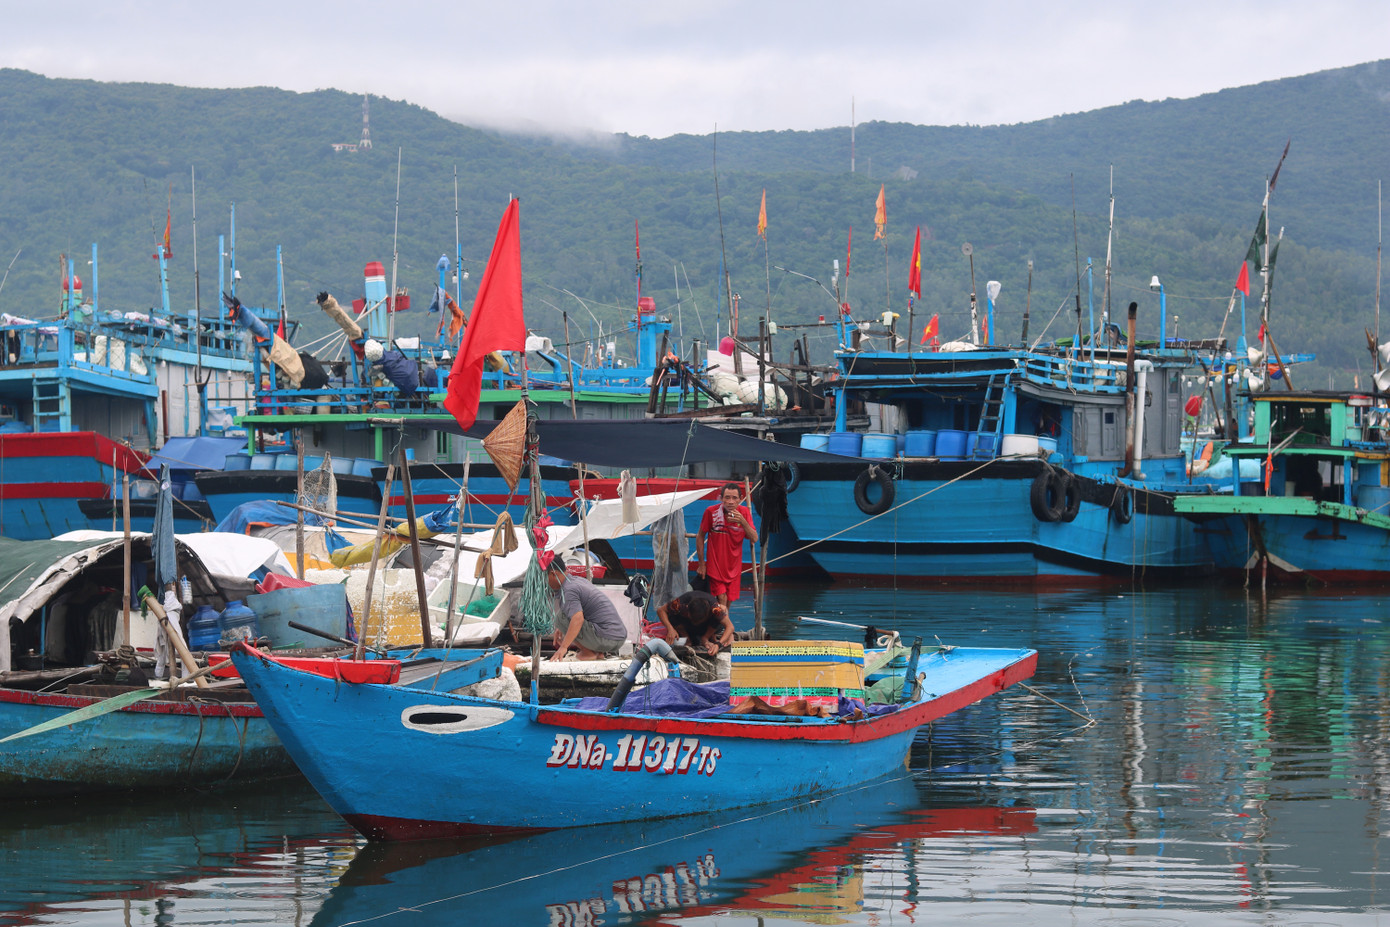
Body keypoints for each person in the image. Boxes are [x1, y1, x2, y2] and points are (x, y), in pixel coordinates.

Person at [546, 559, 627, 661]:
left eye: (544, 578)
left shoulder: (569, 590)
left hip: (607, 639)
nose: (544, 583)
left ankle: (588, 653)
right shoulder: (577, 580)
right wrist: (561, 628)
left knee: (560, 617)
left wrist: (563, 647)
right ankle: (598, 653)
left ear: (553, 574)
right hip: (618, 638)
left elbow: (578, 619)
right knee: (564, 615)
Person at [696, 482, 758, 610]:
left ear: (740, 499)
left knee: (728, 602)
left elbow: (754, 538)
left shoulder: (744, 513)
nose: (730, 501)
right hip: (716, 566)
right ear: (721, 498)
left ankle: (722, 627)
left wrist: (743, 522)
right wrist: (701, 564)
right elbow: (700, 536)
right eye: (727, 497)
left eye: (734, 498)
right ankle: (725, 628)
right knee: (722, 598)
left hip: (734, 567)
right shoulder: (711, 512)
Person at [656, 590, 733, 656]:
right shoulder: (680, 605)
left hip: (705, 625)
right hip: (686, 624)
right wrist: (670, 629)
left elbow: (730, 627)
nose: (695, 623)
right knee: (672, 616)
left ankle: (705, 638)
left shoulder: (714, 608)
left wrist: (718, 644)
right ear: (688, 612)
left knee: (722, 610)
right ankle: (687, 638)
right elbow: (661, 610)